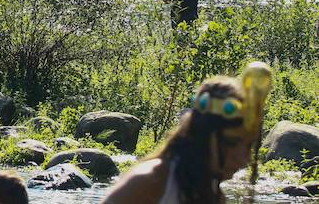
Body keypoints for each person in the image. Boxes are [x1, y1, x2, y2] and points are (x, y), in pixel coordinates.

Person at [103, 63, 273, 204]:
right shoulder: (148, 181)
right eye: (231, 143)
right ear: (201, 136)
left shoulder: (212, 195)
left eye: (248, 146)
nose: (243, 159)